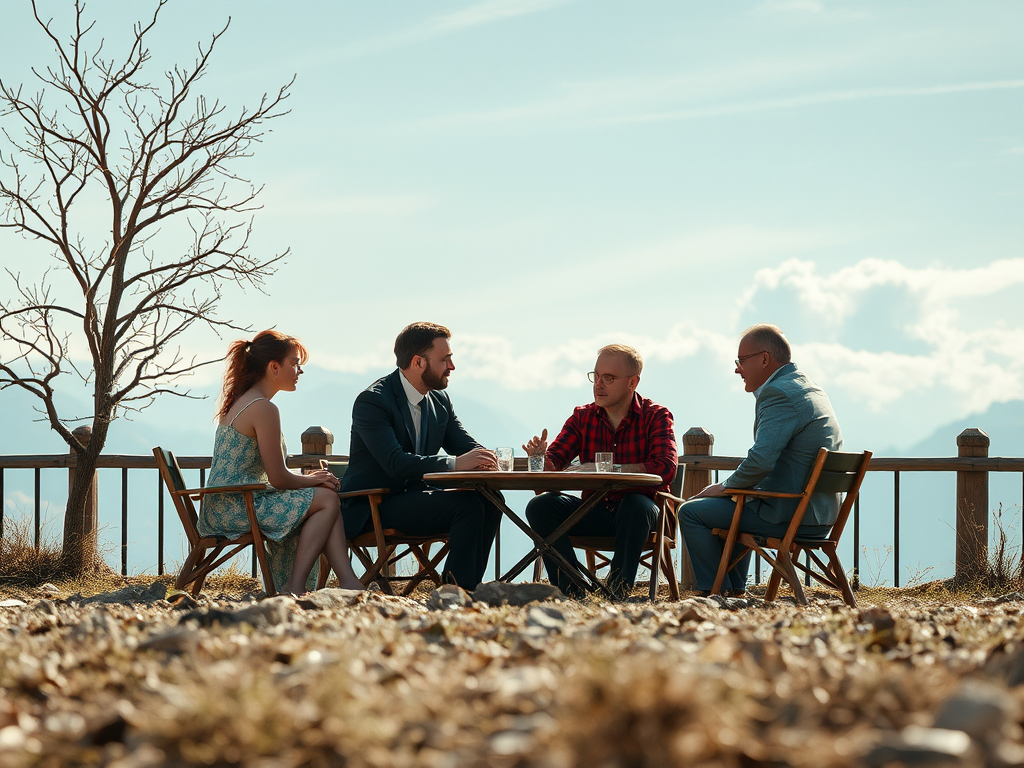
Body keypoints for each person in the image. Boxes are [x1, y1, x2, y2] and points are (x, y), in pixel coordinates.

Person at [679, 323, 842, 596]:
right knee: (741, 501)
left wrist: (725, 486)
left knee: (691, 512)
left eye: (741, 361)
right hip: (821, 516)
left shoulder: (778, 393)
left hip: (790, 515)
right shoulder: (809, 388)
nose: (737, 369)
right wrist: (734, 490)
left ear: (764, 359)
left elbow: (761, 461)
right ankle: (732, 591)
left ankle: (713, 592)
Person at [200, 330, 364, 595]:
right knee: (327, 498)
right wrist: (314, 479)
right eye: (294, 363)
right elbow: (277, 478)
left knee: (324, 496)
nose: (299, 370)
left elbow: (271, 474)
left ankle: (347, 581)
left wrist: (312, 482)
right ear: (274, 367)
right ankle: (296, 586)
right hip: (238, 506)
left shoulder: (242, 402)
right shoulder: (263, 408)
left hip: (227, 502)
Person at [339, 322, 502, 590]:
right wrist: (457, 464)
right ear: (418, 362)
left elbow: (465, 446)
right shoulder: (373, 401)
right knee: (468, 506)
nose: (452, 367)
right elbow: (395, 463)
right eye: (444, 359)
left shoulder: (439, 401)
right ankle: (454, 592)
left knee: (492, 499)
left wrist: (487, 458)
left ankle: (469, 588)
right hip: (375, 505)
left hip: (415, 499)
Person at [523, 344, 677, 600]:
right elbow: (553, 468)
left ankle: (617, 591)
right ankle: (573, 591)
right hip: (594, 511)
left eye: (609, 378)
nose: (598, 384)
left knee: (634, 504)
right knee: (540, 506)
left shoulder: (656, 416)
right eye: (595, 376)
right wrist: (540, 460)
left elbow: (665, 468)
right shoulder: (582, 417)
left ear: (632, 382)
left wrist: (608, 470)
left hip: (644, 515)